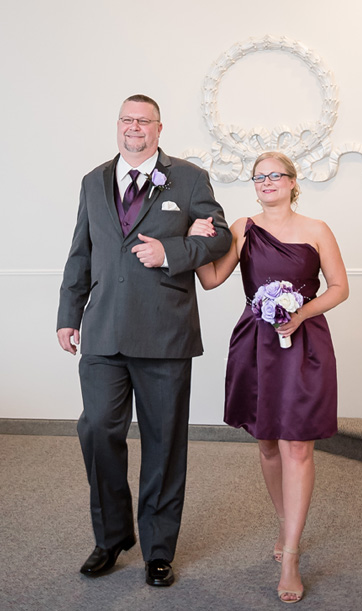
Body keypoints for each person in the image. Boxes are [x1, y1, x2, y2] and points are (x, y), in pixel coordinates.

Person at [56, 94, 232, 587]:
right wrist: (69, 314)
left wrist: (172, 250)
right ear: (119, 126)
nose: (134, 127)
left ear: (159, 128)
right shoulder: (94, 180)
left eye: (144, 121)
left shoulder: (189, 178)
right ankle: (111, 538)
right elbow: (81, 252)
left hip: (165, 334)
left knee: (164, 443)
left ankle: (158, 549)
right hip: (103, 332)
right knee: (97, 430)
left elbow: (220, 239)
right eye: (127, 120)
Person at [189, 151, 348, 603]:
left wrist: (301, 314)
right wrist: (197, 241)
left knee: (296, 443)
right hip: (255, 344)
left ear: (293, 182)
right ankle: (284, 523)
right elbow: (213, 279)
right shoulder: (242, 228)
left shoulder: (317, 230)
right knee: (265, 442)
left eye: (276, 175)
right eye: (260, 177)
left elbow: (340, 286)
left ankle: (293, 553)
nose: (267, 182)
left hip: (305, 344)